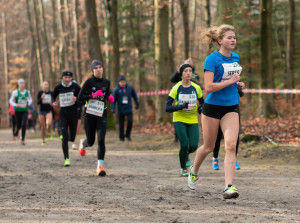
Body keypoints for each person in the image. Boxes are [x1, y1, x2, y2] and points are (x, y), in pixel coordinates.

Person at [187, 24, 245, 199]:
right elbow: (209, 87)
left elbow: (232, 80)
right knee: (208, 147)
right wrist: (230, 81)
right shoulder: (211, 59)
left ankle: (229, 187)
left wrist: (239, 85)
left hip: (231, 107)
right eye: (229, 37)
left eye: (234, 37)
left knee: (231, 145)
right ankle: (194, 170)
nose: (233, 40)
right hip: (212, 108)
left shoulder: (235, 57)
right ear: (220, 41)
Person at [166, 63, 204, 176]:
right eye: (186, 71)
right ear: (181, 74)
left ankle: (185, 154)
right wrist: (180, 107)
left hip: (193, 119)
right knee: (183, 144)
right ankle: (183, 168)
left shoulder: (196, 88)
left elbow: (202, 103)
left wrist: (201, 109)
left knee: (193, 145)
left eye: (190, 71)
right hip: (179, 119)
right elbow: (167, 107)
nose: (188, 73)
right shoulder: (176, 88)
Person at [78, 60, 114, 176]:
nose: (99, 70)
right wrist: (92, 96)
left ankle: (100, 166)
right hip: (90, 114)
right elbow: (80, 97)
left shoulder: (106, 82)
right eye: (96, 68)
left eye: (100, 67)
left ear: (103, 69)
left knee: (101, 139)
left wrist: (109, 97)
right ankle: (84, 143)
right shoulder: (89, 82)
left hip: (101, 113)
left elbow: (107, 93)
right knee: (92, 141)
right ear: (93, 71)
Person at [53, 69, 81, 167]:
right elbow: (53, 95)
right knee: (65, 137)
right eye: (65, 77)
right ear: (62, 77)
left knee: (72, 137)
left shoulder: (75, 86)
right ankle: (66, 158)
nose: (67, 79)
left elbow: (82, 99)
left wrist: (76, 99)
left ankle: (69, 138)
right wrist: (54, 102)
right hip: (63, 113)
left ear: (72, 78)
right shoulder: (59, 86)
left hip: (73, 113)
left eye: (69, 77)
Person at [170, 59, 201, 143]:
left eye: (190, 66)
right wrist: (177, 71)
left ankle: (189, 135)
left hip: (192, 98)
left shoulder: (195, 75)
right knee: (178, 116)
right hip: (180, 97)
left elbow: (198, 85)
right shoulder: (180, 74)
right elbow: (172, 79)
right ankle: (177, 136)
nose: (188, 69)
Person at [111, 75, 139, 141]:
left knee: (130, 121)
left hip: (128, 108)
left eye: (124, 82)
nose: (123, 83)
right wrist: (113, 108)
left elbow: (134, 95)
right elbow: (113, 100)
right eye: (121, 82)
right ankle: (121, 137)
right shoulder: (116, 89)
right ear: (119, 82)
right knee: (121, 124)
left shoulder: (130, 88)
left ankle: (128, 135)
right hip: (120, 109)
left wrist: (137, 103)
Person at [9, 79, 33, 145]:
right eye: (21, 83)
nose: (22, 85)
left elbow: (30, 99)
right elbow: (10, 101)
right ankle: (16, 132)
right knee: (18, 124)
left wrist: (29, 103)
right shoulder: (15, 92)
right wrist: (15, 104)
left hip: (25, 110)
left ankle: (23, 140)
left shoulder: (27, 92)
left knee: (24, 124)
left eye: (23, 83)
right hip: (18, 111)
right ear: (19, 84)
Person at [37, 81, 54, 145]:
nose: (46, 86)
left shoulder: (50, 93)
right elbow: (38, 102)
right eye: (44, 85)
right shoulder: (40, 92)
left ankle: (49, 133)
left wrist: (52, 103)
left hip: (48, 110)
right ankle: (43, 139)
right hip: (41, 111)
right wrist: (42, 98)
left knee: (49, 123)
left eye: (47, 84)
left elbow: (53, 101)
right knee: (43, 127)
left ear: (48, 85)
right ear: (42, 86)